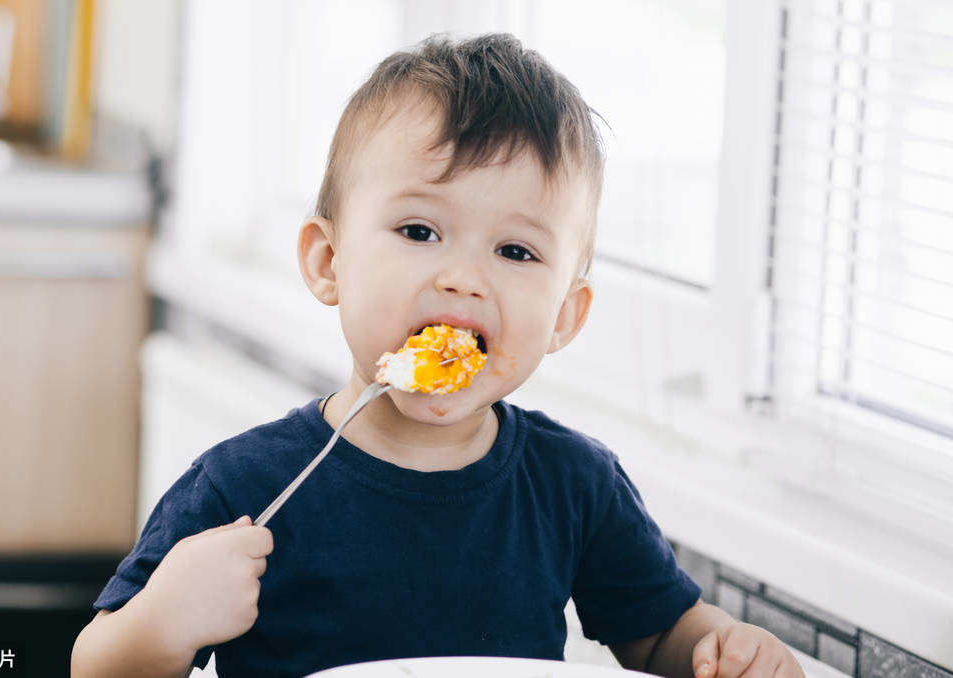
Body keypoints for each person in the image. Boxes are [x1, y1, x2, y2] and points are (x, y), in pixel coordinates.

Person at [71, 33, 804, 678]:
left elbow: (661, 636)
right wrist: (165, 621)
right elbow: (95, 666)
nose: (463, 277)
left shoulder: (575, 485)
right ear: (329, 261)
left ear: (564, 316)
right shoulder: (244, 486)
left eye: (516, 251)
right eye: (420, 231)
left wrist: (723, 647)